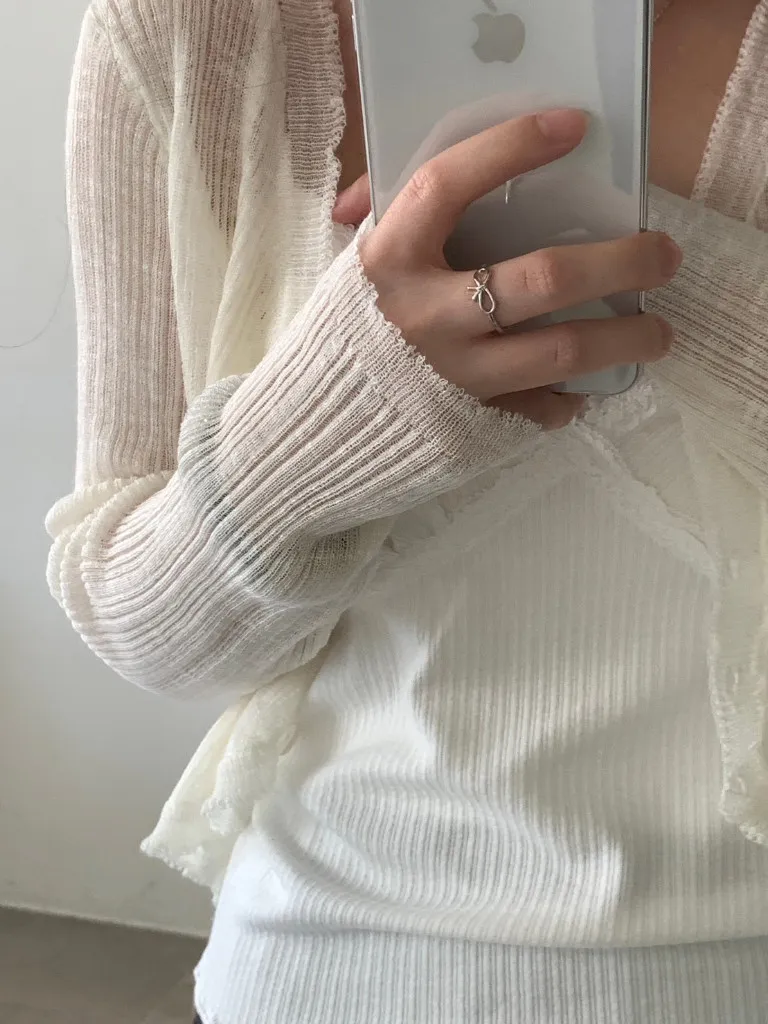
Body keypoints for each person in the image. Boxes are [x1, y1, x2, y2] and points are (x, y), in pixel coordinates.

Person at [47, 0, 768, 1020]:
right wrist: (340, 402)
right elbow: (148, 636)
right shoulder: (193, 29)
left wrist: (643, 263)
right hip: (325, 966)